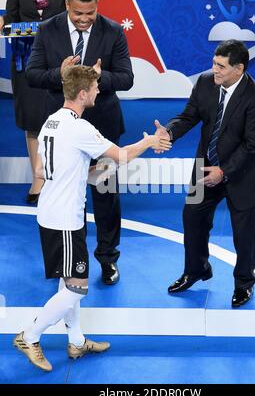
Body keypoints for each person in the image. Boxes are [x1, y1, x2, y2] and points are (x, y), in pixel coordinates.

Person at [13, 64, 171, 372]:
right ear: (83, 93)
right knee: (77, 287)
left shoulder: (51, 123)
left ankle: (75, 340)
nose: (100, 91)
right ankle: (29, 335)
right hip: (65, 220)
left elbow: (45, 171)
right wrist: (150, 142)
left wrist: (93, 172)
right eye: (96, 87)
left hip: (50, 211)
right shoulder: (81, 128)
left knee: (66, 280)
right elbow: (123, 155)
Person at [26, 0, 134, 286]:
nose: (85, 19)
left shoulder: (113, 31)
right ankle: (71, 260)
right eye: (78, 14)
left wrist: (103, 77)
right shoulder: (48, 30)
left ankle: (108, 259)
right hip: (64, 133)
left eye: (90, 13)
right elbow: (33, 75)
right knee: (66, 197)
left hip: (102, 128)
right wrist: (58, 75)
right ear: (67, 6)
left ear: (97, 6)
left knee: (105, 198)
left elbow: (127, 78)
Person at [154, 39, 255, 308]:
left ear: (239, 68)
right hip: (206, 166)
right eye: (213, 63)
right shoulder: (206, 83)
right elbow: (188, 116)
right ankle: (196, 270)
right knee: (192, 218)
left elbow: (253, 146)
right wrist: (169, 132)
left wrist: (224, 171)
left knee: (245, 234)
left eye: (220, 66)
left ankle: (244, 282)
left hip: (243, 173)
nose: (213, 69)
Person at [0, 0, 75, 204]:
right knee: (32, 118)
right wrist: (4, 23)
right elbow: (11, 18)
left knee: (62, 116)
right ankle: (38, 177)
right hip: (26, 55)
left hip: (61, 54)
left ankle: (61, 177)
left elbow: (74, 15)